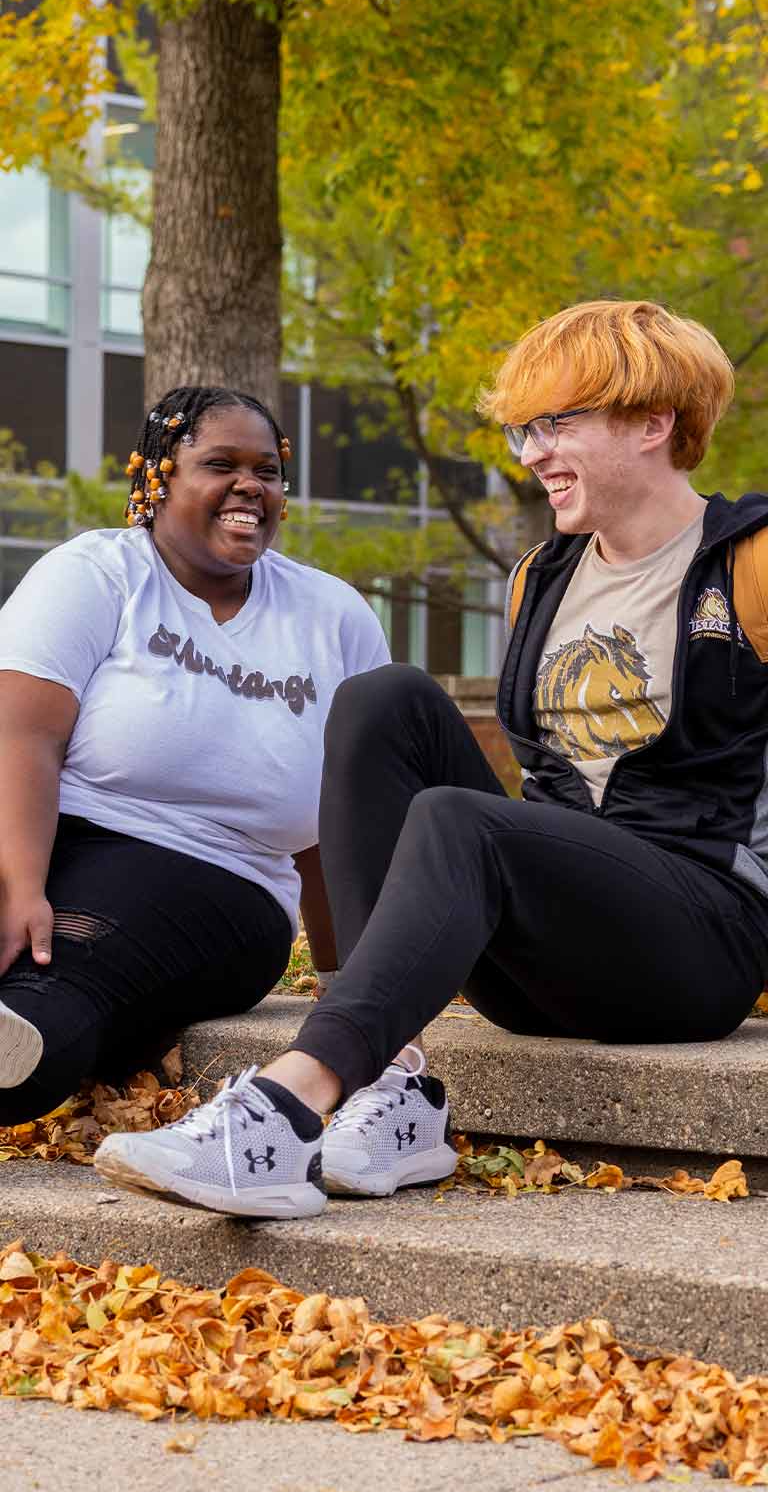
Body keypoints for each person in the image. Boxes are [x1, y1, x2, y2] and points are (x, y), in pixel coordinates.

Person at [96, 299, 768, 1218]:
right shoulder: (546, 572)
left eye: (555, 424)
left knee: (460, 818)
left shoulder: (750, 560)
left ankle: (286, 1107)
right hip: (555, 933)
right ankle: (396, 1088)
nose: (530, 452)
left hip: (698, 940)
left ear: (653, 424)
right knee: (384, 697)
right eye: (525, 429)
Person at [0, 383, 390, 1189]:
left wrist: (347, 979)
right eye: (221, 464)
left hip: (224, 886)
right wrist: (20, 881)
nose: (253, 486)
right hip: (49, 834)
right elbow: (22, 735)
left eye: (269, 470)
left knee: (51, 995)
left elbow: (342, 812)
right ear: (158, 478)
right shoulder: (96, 572)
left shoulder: (333, 615)